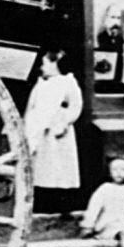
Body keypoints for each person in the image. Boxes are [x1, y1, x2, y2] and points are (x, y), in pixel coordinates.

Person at [24, 48, 82, 215]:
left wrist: (64, 122)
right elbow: (31, 107)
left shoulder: (67, 82)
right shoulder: (40, 84)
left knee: (59, 168)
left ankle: (60, 203)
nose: (42, 68)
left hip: (57, 134)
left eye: (44, 64)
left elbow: (75, 106)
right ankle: (40, 203)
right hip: (39, 133)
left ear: (55, 63)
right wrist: (28, 127)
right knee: (40, 169)